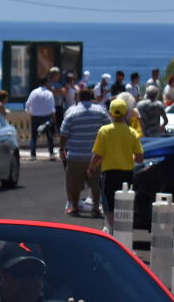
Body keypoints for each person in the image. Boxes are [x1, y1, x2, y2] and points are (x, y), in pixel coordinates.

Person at [87, 97, 143, 232]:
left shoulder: (104, 131)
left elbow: (98, 155)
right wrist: (128, 156)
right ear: (125, 114)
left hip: (109, 173)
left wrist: (91, 168)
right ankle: (122, 230)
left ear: (110, 113)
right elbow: (140, 158)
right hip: (127, 173)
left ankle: (112, 229)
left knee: (108, 204)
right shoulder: (132, 133)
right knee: (124, 203)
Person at [59, 87, 110, 217]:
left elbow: (63, 133)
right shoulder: (101, 112)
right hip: (95, 155)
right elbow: (108, 129)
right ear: (92, 96)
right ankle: (96, 209)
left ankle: (75, 207)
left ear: (78, 98)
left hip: (75, 155)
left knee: (74, 184)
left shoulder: (71, 113)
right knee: (96, 184)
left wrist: (61, 148)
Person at [24, 77, 56, 160]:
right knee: (49, 136)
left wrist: (30, 112)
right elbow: (52, 108)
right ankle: (51, 153)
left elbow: (27, 105)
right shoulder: (49, 93)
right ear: (46, 83)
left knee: (34, 136)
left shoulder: (33, 92)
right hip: (46, 117)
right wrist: (53, 118)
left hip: (35, 116)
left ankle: (33, 154)